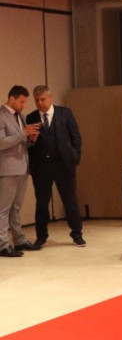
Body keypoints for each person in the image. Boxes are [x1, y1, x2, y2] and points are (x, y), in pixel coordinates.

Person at [25, 86, 85, 247]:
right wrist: (31, 140)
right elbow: (27, 144)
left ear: (50, 98)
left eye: (43, 99)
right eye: (37, 100)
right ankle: (41, 236)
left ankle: (77, 234)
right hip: (41, 167)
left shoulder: (65, 113)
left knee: (70, 200)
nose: (40, 103)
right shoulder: (31, 117)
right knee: (42, 203)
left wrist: (74, 157)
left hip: (63, 164)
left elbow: (76, 137)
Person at [0, 86, 42, 257]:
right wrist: (23, 134)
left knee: (16, 207)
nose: (24, 105)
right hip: (8, 169)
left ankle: (19, 240)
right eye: (22, 101)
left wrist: (31, 139)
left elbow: (22, 142)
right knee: (3, 208)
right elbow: (1, 143)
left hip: (23, 167)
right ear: (12, 99)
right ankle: (2, 244)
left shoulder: (21, 117)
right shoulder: (1, 116)